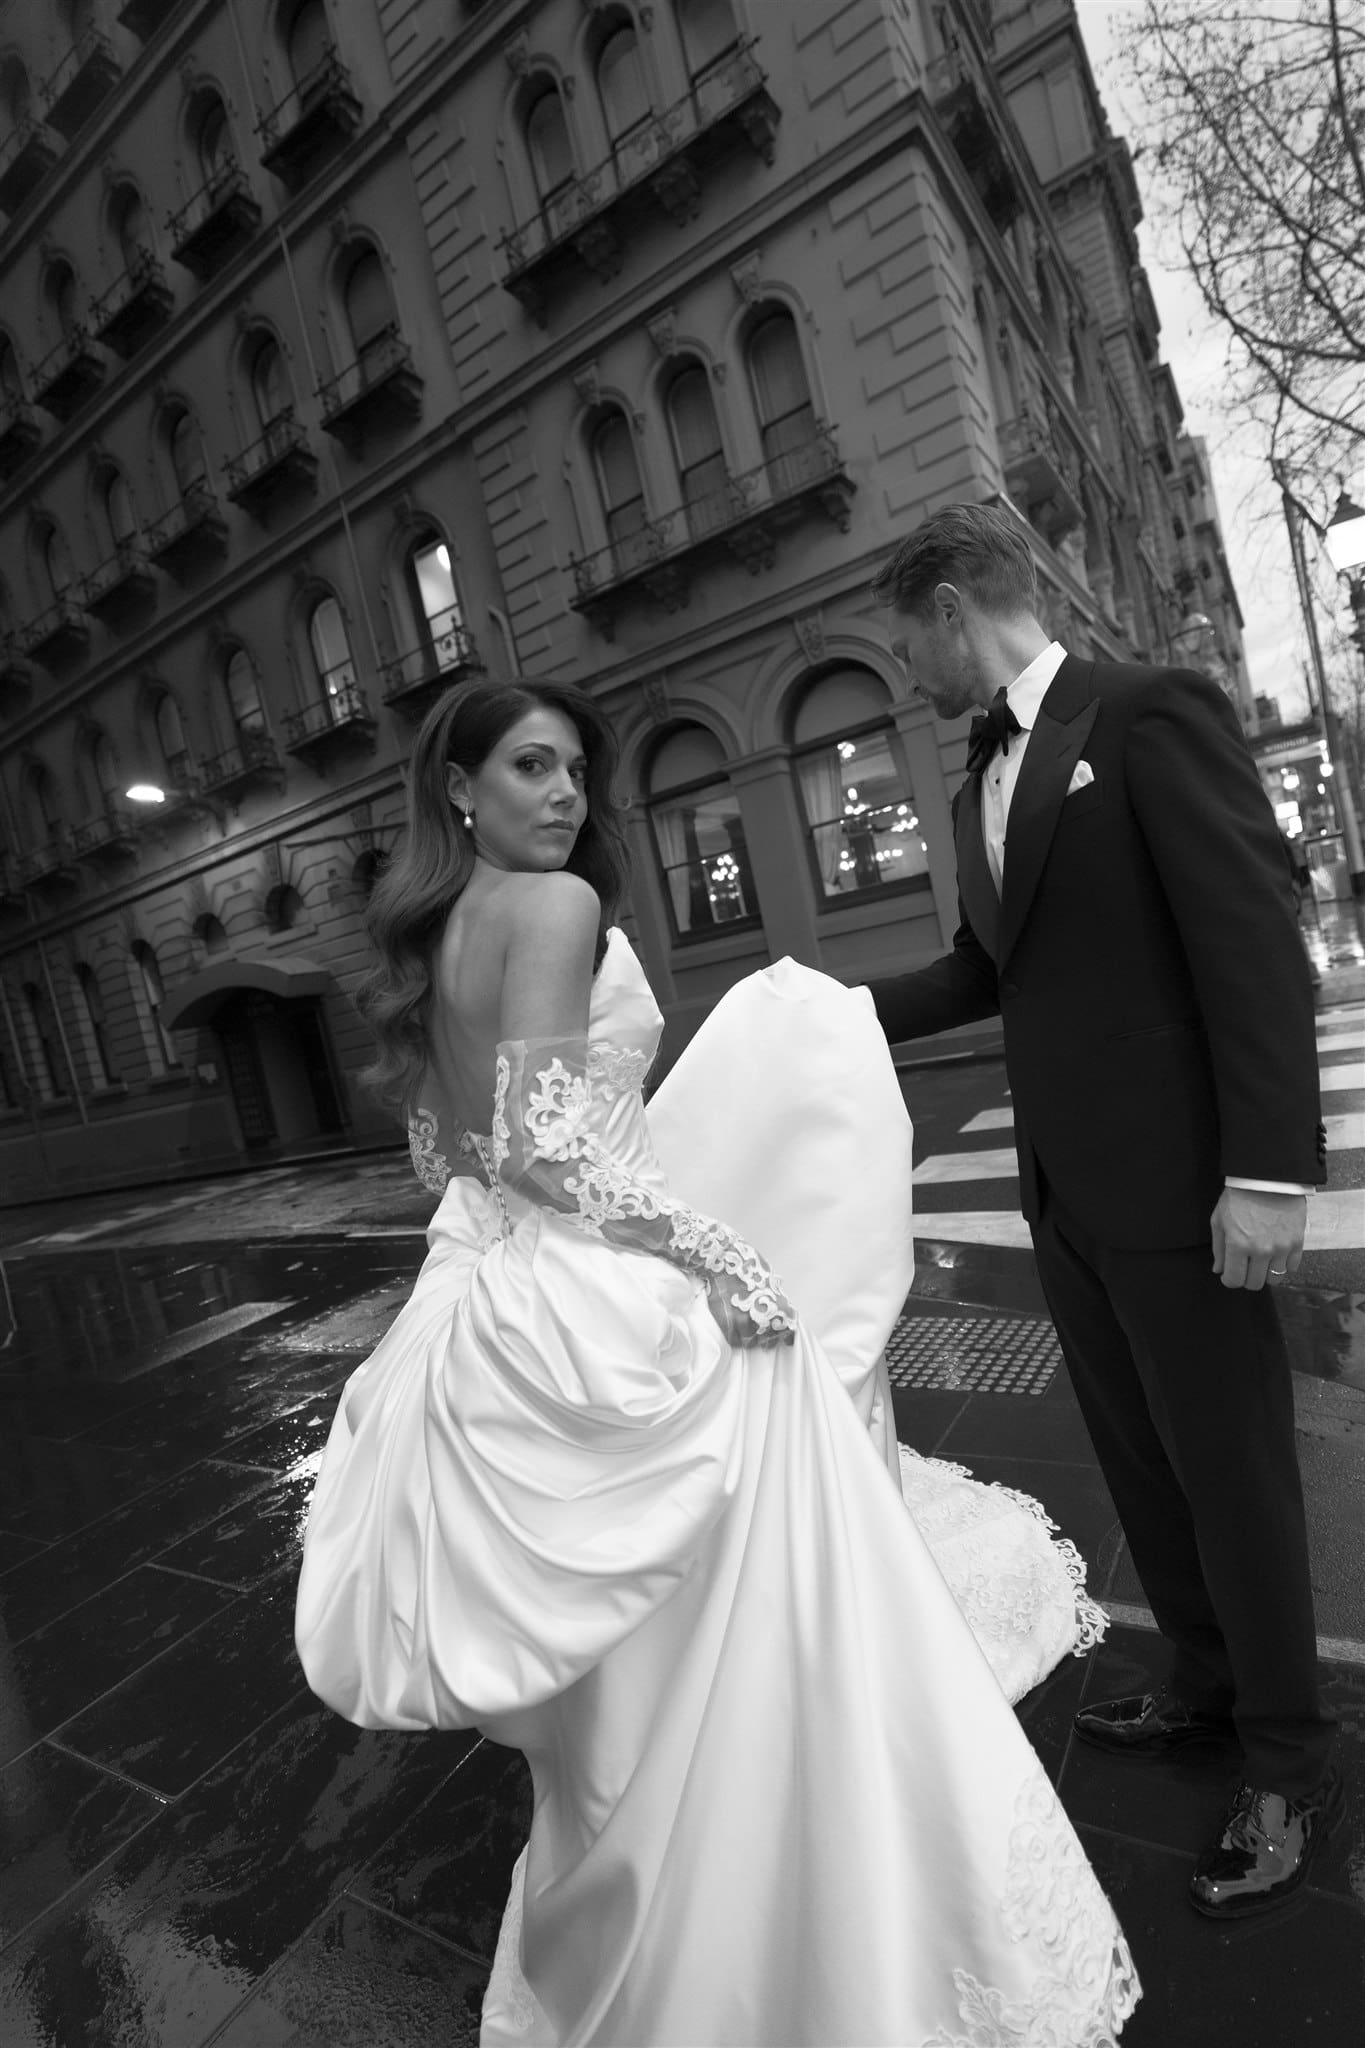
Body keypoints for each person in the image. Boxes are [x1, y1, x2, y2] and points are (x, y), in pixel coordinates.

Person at [295, 676, 1138, 2045]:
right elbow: (545, 1150)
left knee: (633, 1651)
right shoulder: (554, 909)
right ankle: (787, 1894)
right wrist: (717, 1255)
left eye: (576, 769)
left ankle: (650, 1923)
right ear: (457, 786)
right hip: (598, 1291)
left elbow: (447, 1154)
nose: (565, 793)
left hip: (501, 1301)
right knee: (765, 1585)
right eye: (529, 766)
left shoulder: (441, 930)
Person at [862, 502, 1337, 1921]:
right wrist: (818, 1010)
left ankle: (1288, 1758)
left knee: (1232, 1472)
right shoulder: (977, 777)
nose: (906, 670)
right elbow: (983, 968)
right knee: (1141, 1463)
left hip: (1187, 1186)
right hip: (1065, 1194)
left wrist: (1266, 1176)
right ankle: (1204, 1684)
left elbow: (1251, 943)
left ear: (951, 608)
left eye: (905, 640)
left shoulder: (1145, 713)